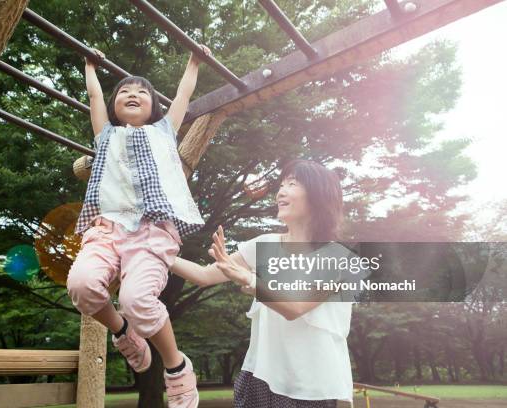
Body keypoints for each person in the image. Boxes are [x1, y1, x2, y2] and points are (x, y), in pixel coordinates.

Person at [67, 46, 211, 408]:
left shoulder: (164, 131)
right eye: (125, 92)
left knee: (136, 300)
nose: (132, 94)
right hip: (106, 229)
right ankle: (124, 333)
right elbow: (94, 95)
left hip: (150, 232)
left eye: (142, 92)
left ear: (154, 108)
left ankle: (176, 366)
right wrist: (90, 66)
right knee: (81, 286)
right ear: (115, 106)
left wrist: (193, 61)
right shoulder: (105, 136)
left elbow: (183, 95)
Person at [171, 159, 357, 407]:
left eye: (292, 183)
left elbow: (296, 307)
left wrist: (250, 279)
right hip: (262, 377)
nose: (281, 191)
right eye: (281, 184)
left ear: (318, 196)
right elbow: (204, 275)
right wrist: (153, 251)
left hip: (311, 389)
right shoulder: (264, 244)